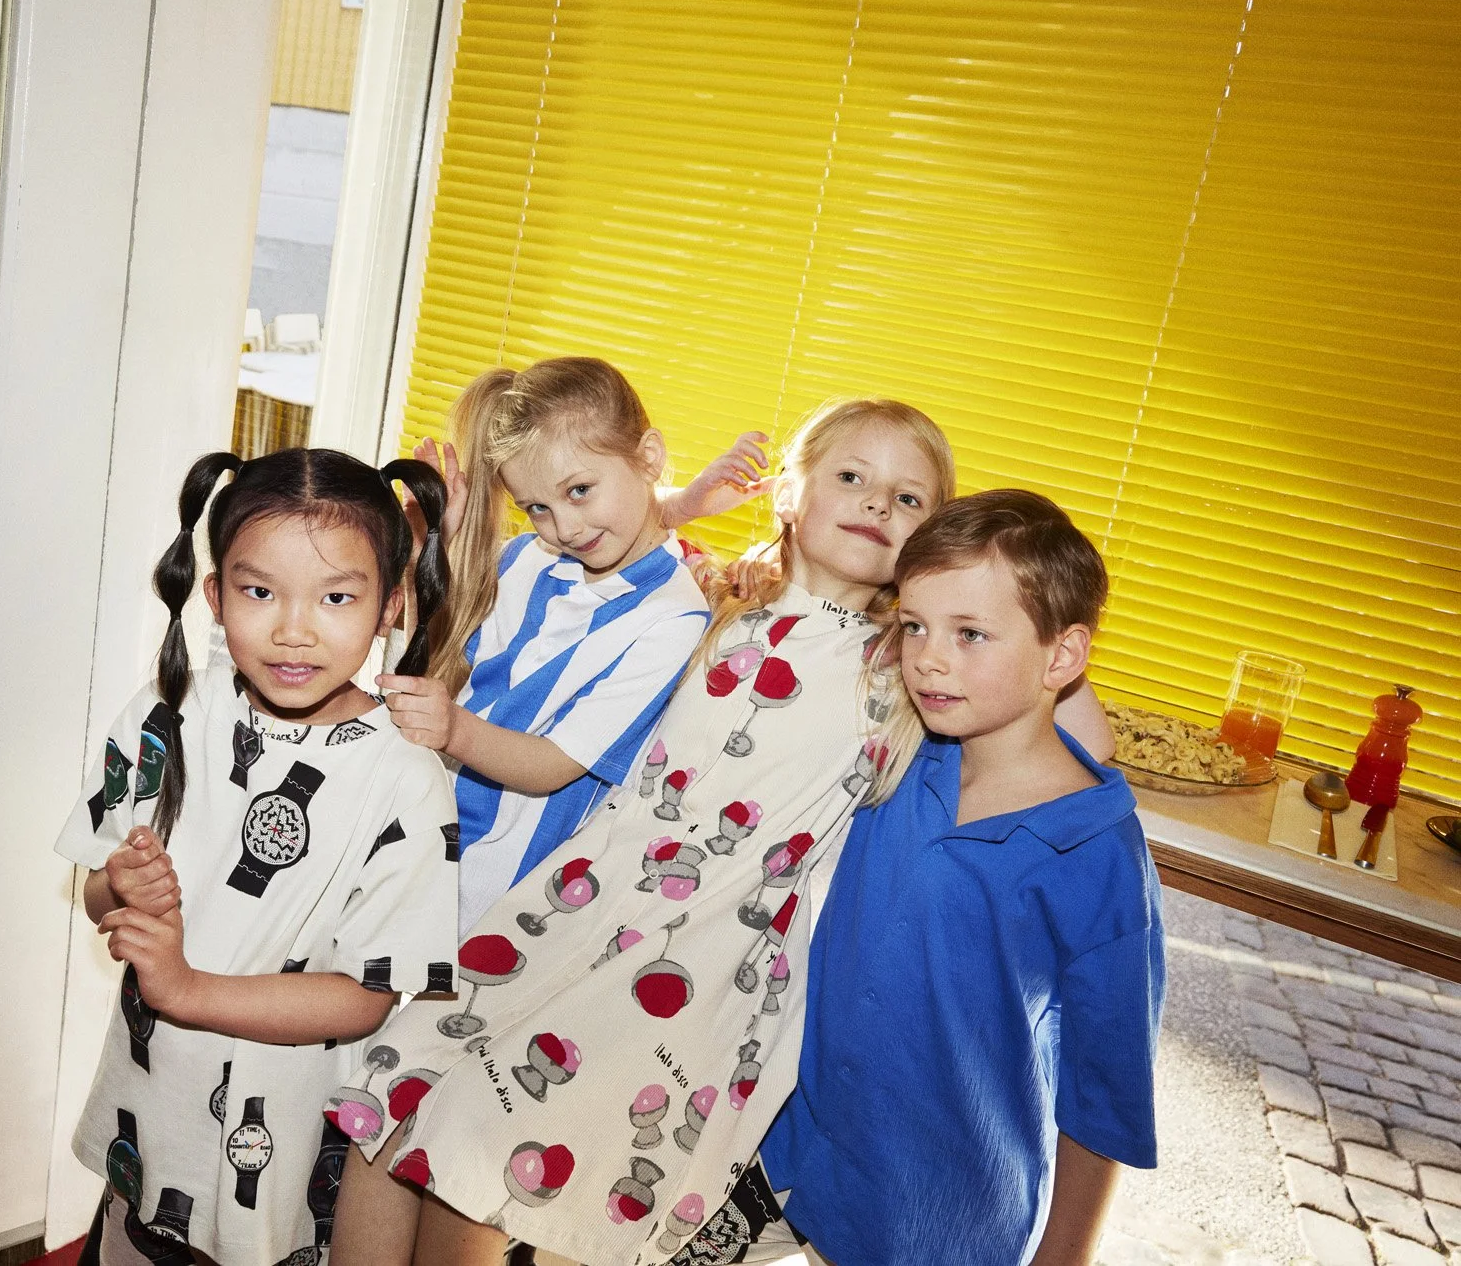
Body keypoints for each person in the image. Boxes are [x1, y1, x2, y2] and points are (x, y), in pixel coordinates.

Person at [331, 397, 968, 1266]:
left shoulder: (906, 670)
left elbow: (1057, 706)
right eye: (851, 478)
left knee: (486, 1169)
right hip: (575, 911)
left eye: (910, 500)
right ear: (789, 493)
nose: (876, 505)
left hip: (695, 965)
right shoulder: (713, 604)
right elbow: (610, 529)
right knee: (393, 1103)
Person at [56, 447, 462, 1266]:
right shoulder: (171, 714)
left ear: (390, 606)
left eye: (337, 596)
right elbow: (101, 898)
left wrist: (187, 987)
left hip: (275, 1145)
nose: (293, 629)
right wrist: (118, 890)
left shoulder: (407, 779)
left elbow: (363, 999)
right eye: (259, 591)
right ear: (214, 595)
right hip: (152, 1109)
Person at [761, 489, 1165, 1266]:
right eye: (914, 626)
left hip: (931, 1212)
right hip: (791, 1152)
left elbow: (1105, 1089)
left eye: (970, 634)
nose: (929, 658)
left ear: (1064, 657)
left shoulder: (1099, 859)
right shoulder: (906, 752)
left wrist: (1065, 1256)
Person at [379, 356, 775, 932]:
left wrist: (453, 730)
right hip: (412, 840)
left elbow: (553, 766)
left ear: (650, 458)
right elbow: (431, 674)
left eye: (580, 490)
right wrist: (426, 559)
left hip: (494, 889)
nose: (564, 527)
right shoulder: (526, 559)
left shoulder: (672, 618)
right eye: (537, 507)